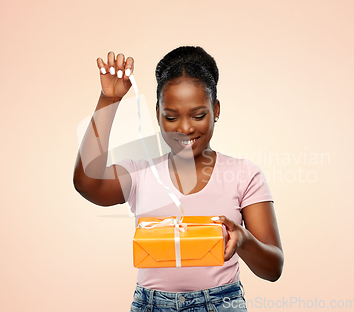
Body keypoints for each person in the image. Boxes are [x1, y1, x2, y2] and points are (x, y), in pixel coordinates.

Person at [73, 46, 283, 312]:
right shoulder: (140, 173)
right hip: (151, 305)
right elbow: (87, 183)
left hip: (221, 304)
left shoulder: (244, 174)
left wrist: (244, 239)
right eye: (171, 117)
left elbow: (273, 268)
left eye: (198, 115)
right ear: (158, 112)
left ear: (215, 109)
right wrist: (108, 100)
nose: (185, 128)